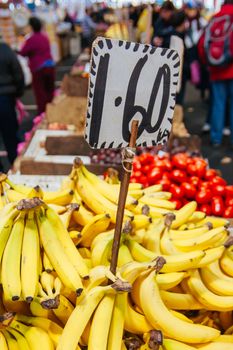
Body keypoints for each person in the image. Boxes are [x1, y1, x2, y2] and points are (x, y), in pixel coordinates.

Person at [198, 0, 233, 148]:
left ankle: (215, 138)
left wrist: (207, 63)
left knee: (217, 104)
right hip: (231, 69)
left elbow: (201, 44)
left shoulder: (214, 18)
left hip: (215, 71)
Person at [19, 17, 55, 114]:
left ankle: (43, 116)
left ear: (31, 26)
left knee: (41, 94)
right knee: (50, 92)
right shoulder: (44, 37)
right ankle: (53, 112)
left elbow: (22, 52)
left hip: (39, 68)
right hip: (50, 66)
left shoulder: (30, 39)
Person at [0, 38, 24, 169]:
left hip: (6, 96)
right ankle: (16, 167)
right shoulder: (5, 49)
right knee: (10, 135)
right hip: (5, 98)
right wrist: (18, 92)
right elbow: (18, 71)